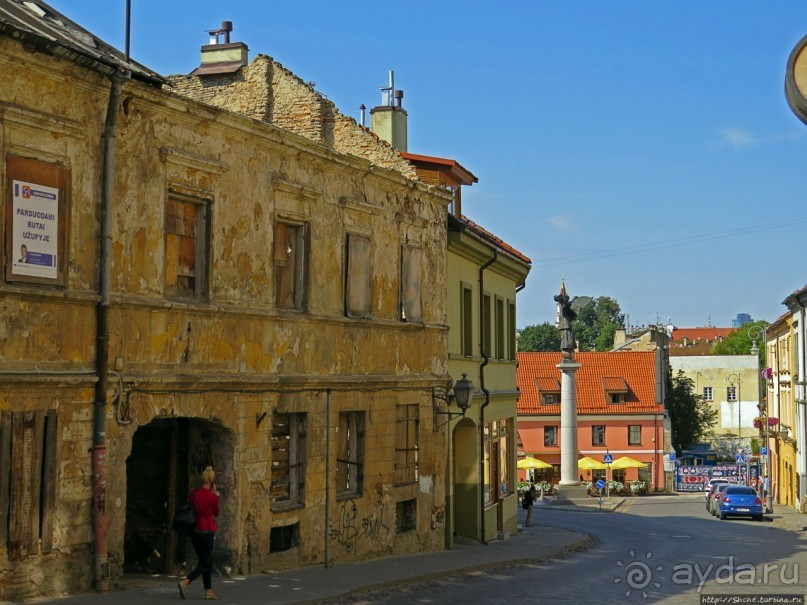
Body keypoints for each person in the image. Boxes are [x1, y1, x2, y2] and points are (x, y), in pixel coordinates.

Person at [178, 466, 220, 601]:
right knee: (204, 563)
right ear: (212, 481)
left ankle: (208, 591)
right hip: (207, 531)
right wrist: (215, 496)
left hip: (195, 531)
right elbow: (216, 513)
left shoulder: (194, 493)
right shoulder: (211, 497)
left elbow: (189, 503)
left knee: (207, 560)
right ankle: (185, 582)